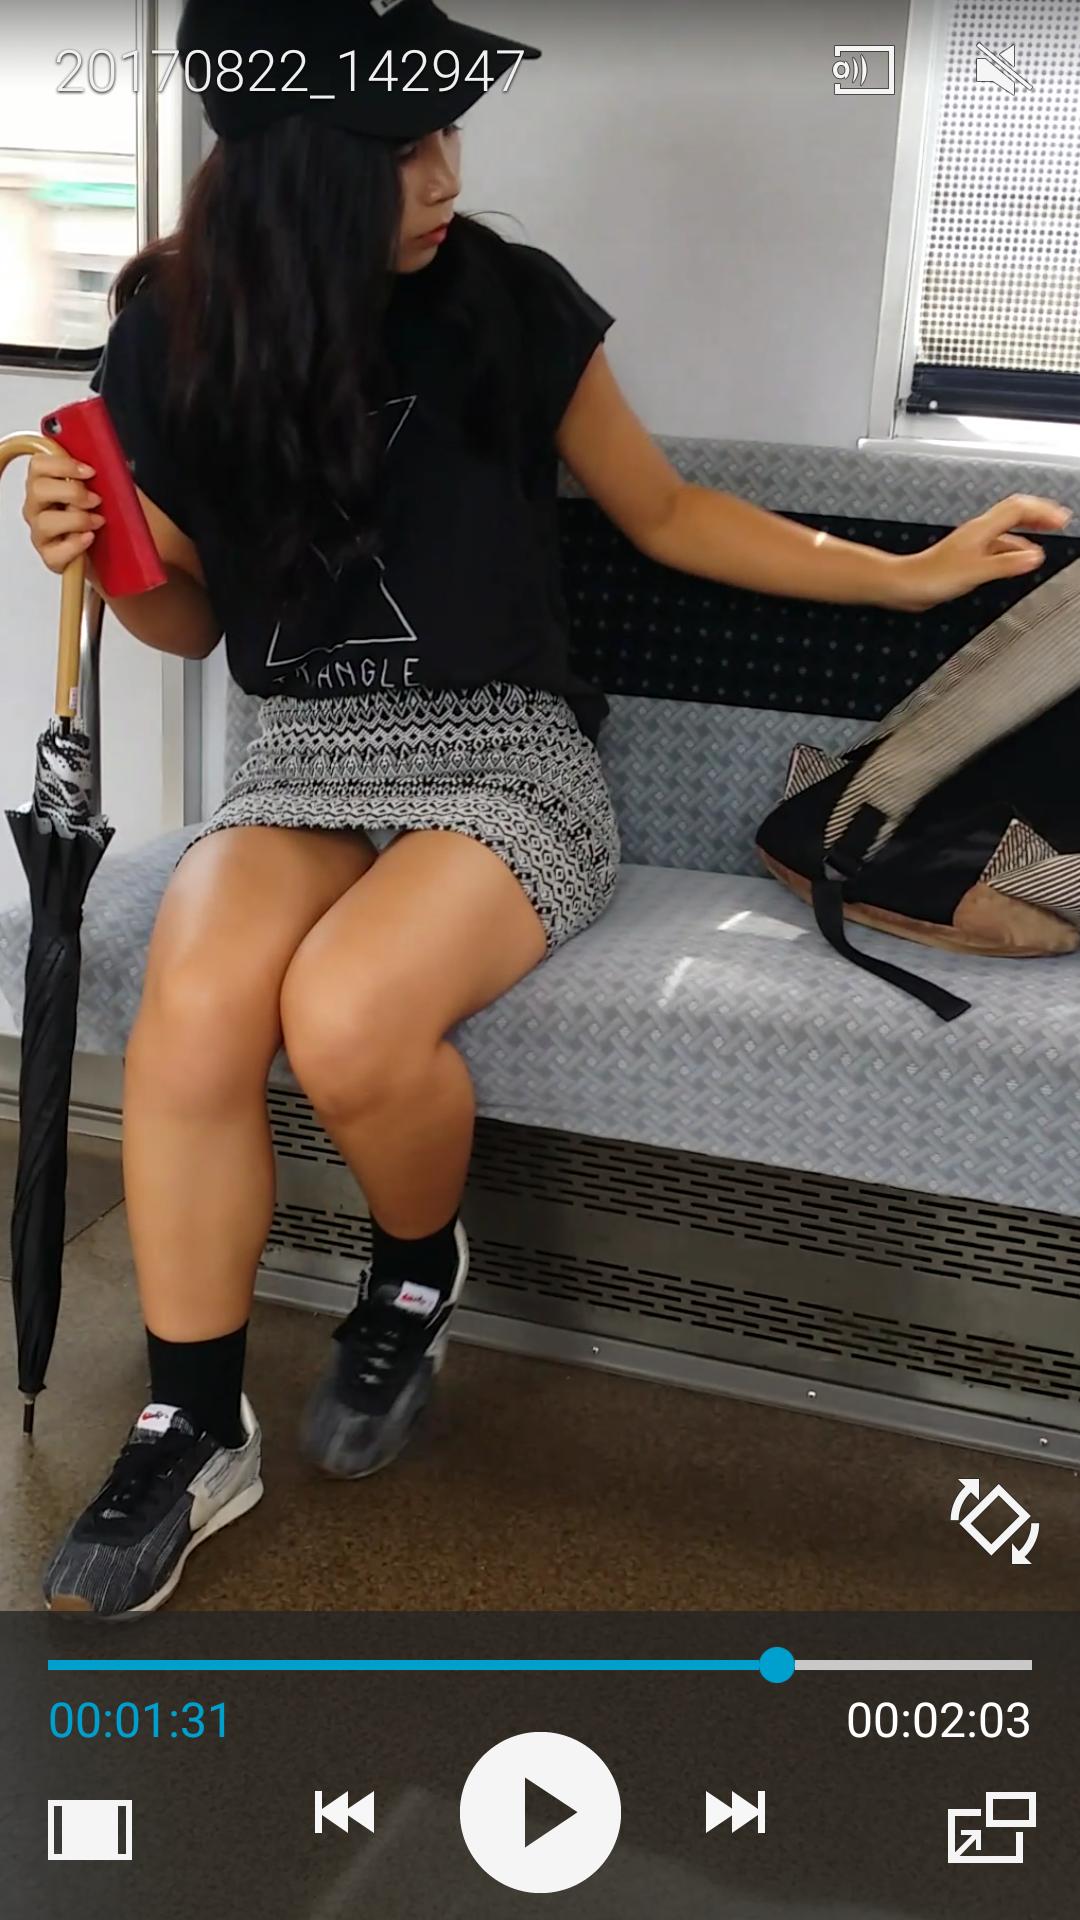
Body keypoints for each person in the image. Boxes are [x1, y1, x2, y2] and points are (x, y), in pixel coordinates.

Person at [21, 2, 1069, 1619]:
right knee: (196, 1009)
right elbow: (193, 621)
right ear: (297, 175)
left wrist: (909, 573)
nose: (448, 174)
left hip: (506, 755)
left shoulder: (503, 301)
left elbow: (669, 512)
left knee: (348, 1016)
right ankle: (191, 1419)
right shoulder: (172, 333)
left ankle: (413, 1272)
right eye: (404, 149)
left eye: (448, 133)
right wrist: (97, 555)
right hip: (304, 757)